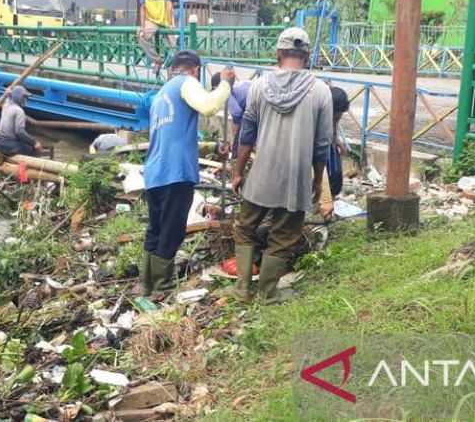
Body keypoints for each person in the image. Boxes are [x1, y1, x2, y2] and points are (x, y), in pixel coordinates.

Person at [228, 27, 333, 302]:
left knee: (245, 227)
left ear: (278, 54)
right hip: (296, 178)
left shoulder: (259, 86)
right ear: (307, 56)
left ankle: (241, 289)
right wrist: (317, 180)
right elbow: (322, 146)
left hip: (262, 175)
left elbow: (246, 134)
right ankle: (267, 292)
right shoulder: (321, 91)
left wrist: (238, 173)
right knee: (284, 234)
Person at [142, 50, 232, 296]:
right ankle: (163, 287)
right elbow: (210, 106)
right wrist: (225, 82)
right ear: (196, 69)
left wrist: (213, 147)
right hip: (175, 172)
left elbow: (175, 136)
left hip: (155, 173)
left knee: (157, 229)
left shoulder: (161, 95)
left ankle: (147, 286)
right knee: (172, 230)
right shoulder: (187, 82)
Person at [317, 86, 351, 219]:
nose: (339, 117)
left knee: (335, 177)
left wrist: (339, 144)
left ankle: (327, 206)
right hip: (321, 150)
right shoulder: (318, 118)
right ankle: (322, 207)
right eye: (338, 113)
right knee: (322, 177)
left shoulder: (333, 117)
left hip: (330, 149)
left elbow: (334, 129)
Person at [211, 66, 254, 158]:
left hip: (256, 104)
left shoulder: (226, 92)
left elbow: (237, 116)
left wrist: (234, 139)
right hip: (259, 100)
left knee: (240, 140)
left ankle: (235, 160)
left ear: (217, 87)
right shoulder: (234, 85)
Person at [138, 0, 173, 74]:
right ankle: (157, 60)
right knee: (141, 35)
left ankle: (172, 69)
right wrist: (143, 26)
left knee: (175, 44)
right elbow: (143, 8)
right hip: (152, 20)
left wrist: (170, 23)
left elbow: (169, 5)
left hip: (165, 19)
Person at [0, 85, 43, 158]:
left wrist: (8, 93)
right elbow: (19, 132)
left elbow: (8, 97)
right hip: (9, 146)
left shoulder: (6, 105)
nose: (25, 100)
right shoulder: (19, 111)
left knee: (25, 143)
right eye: (23, 97)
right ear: (17, 96)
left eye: (26, 98)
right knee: (34, 149)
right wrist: (34, 142)